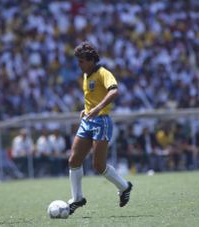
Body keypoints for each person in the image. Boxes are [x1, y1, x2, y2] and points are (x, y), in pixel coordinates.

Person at [68, 41, 132, 215]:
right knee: (73, 160)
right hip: (87, 121)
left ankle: (124, 187)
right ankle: (77, 198)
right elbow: (92, 98)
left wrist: (97, 109)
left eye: (81, 61)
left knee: (98, 165)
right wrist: (87, 109)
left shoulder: (103, 73)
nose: (79, 65)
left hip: (101, 121)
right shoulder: (86, 75)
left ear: (90, 61)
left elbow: (113, 91)